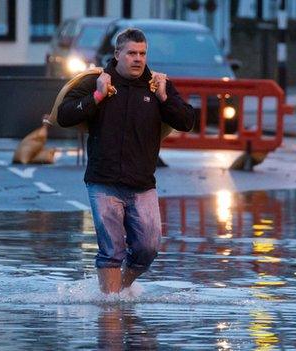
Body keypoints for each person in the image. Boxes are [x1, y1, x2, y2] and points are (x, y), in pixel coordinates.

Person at [57, 28, 196, 294]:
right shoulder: (98, 81)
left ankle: (120, 290)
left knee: (148, 248)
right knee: (111, 250)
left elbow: (187, 121)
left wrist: (165, 99)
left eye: (142, 53)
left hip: (143, 184)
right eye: (131, 53)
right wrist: (96, 97)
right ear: (117, 54)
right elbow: (64, 116)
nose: (138, 59)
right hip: (103, 181)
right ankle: (110, 313)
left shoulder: (156, 85)